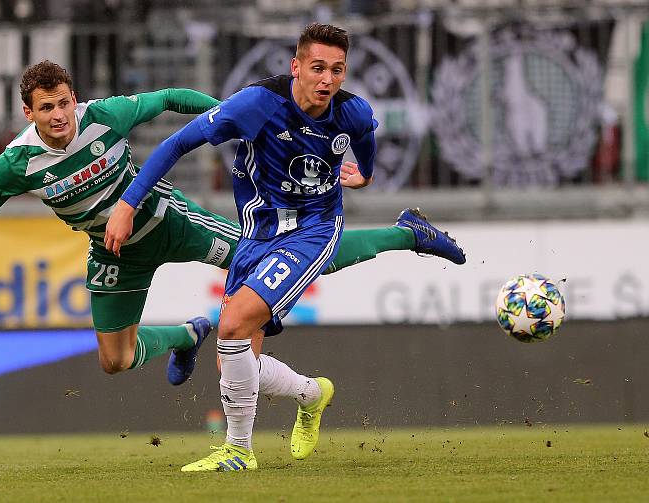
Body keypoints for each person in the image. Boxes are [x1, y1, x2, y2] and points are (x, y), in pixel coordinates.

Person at [107, 24, 465, 472]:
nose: (327, 80)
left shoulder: (351, 112)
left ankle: (238, 453)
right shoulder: (257, 106)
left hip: (315, 229)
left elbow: (366, 139)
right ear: (296, 66)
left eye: (337, 70)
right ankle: (312, 395)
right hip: (256, 234)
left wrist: (366, 173)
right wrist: (126, 204)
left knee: (233, 324)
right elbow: (177, 143)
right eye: (318, 68)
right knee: (235, 364)